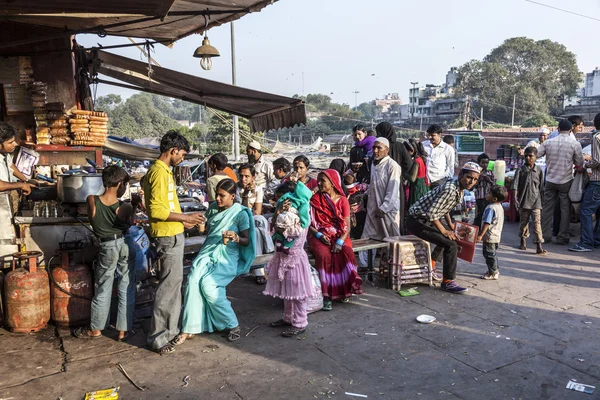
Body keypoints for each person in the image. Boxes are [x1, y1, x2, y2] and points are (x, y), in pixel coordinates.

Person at [173, 179, 256, 346]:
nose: (217, 198)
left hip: (227, 256)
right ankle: (190, 327)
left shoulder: (240, 213)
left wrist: (235, 237)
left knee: (209, 287)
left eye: (221, 195)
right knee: (193, 281)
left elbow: (247, 241)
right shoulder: (212, 208)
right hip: (207, 251)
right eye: (216, 194)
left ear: (232, 196)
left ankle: (232, 324)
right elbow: (205, 229)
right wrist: (194, 224)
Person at [143, 130, 205, 355]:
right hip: (168, 236)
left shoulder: (160, 171)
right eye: (182, 155)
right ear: (173, 151)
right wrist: (185, 218)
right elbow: (158, 209)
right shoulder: (159, 173)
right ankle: (159, 337)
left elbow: (157, 203)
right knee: (169, 287)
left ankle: (168, 331)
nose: (182, 159)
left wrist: (183, 221)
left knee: (172, 285)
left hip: (172, 231)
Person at [74, 166, 134, 341]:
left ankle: (96, 329)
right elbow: (128, 224)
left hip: (107, 246)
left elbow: (94, 221)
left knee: (102, 287)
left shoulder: (91, 200)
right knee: (126, 286)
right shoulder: (125, 206)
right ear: (119, 184)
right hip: (125, 244)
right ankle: (123, 330)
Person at [406, 162, 482, 294]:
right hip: (416, 220)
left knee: (450, 235)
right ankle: (447, 282)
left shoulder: (459, 189)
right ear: (461, 175)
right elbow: (432, 213)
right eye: (469, 177)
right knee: (451, 244)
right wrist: (444, 230)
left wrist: (450, 225)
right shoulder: (450, 190)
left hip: (426, 219)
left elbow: (445, 208)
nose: (472, 182)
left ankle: (432, 263)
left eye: (475, 179)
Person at [264, 177, 314, 337]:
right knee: (287, 290)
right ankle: (288, 318)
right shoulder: (283, 213)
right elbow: (272, 230)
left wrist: (281, 222)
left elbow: (295, 232)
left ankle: (300, 322)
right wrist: (278, 213)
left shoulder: (301, 212)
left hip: (295, 258)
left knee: (297, 293)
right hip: (282, 256)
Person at [309, 169, 362, 311]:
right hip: (319, 235)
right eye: (318, 180)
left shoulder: (343, 200)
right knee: (324, 255)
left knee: (346, 252)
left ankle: (344, 290)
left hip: (341, 235)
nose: (319, 183)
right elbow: (310, 224)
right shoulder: (314, 200)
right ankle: (326, 296)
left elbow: (347, 227)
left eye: (323, 181)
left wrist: (340, 241)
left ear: (332, 183)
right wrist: (319, 235)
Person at [537, 119, 584, 244]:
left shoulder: (548, 142)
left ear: (557, 129)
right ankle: (562, 236)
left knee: (547, 208)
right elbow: (580, 163)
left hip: (550, 179)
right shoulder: (575, 144)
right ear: (570, 130)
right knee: (565, 210)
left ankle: (545, 235)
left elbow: (536, 154)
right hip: (566, 180)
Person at [375, 121, 414, 234]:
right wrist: (402, 175)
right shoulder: (399, 146)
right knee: (396, 216)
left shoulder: (377, 147)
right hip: (396, 183)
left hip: (381, 184)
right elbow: (409, 164)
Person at [570, 113, 600, 252]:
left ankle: (586, 242)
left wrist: (586, 164)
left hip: (597, 180)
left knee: (586, 211)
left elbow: (597, 161)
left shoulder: (597, 137)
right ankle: (596, 239)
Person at [361, 137, 402, 239]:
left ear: (387, 150)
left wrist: (384, 208)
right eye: (374, 147)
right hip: (373, 206)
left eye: (379, 148)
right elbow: (374, 184)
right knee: (368, 237)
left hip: (387, 209)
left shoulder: (392, 166)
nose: (375, 151)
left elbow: (393, 190)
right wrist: (365, 194)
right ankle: (367, 255)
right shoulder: (374, 164)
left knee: (391, 238)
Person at [238, 164, 272, 284]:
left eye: (246, 176)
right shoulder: (236, 190)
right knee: (258, 228)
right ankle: (260, 269)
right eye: (241, 176)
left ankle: (259, 269)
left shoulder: (258, 189)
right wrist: (246, 195)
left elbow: (257, 211)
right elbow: (240, 211)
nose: (243, 179)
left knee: (258, 226)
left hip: (253, 220)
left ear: (253, 177)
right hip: (239, 221)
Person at [513, 147, 546, 255]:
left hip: (536, 202)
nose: (528, 158)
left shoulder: (539, 171)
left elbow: (541, 188)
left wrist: (542, 201)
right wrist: (515, 199)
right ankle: (523, 240)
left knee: (537, 224)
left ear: (535, 157)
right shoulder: (520, 170)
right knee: (524, 223)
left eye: (530, 156)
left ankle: (539, 245)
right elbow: (515, 186)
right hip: (523, 201)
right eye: (526, 155)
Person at [477, 185, 508, 280]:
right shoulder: (499, 207)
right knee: (491, 254)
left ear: (494, 198)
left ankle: (493, 272)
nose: (486, 194)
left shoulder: (491, 208)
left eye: (489, 193)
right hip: (496, 236)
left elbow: (487, 222)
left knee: (489, 255)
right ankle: (493, 270)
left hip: (489, 236)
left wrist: (481, 235)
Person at [272, 181, 305, 255]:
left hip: (294, 252)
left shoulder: (300, 214)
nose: (280, 201)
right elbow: (272, 229)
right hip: (280, 253)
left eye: (282, 198)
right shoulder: (280, 212)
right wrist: (278, 212)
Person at [0, 122, 33, 195]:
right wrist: (20, 185)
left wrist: (26, 180)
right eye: (10, 142)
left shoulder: (5, 154)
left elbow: (11, 165)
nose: (15, 144)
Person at [423, 125, 455, 189]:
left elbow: (451, 167)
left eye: (433, 135)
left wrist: (447, 180)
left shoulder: (448, 149)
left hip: (439, 180)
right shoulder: (423, 145)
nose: (430, 137)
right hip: (425, 180)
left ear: (439, 135)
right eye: (429, 135)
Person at [403, 138, 429, 209]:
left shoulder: (416, 161)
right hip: (423, 186)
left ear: (411, 150)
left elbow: (412, 178)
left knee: (415, 209)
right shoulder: (422, 158)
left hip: (417, 188)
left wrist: (402, 173)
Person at [472, 153, 495, 228]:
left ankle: (484, 229)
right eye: (483, 162)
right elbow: (473, 186)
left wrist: (489, 180)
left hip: (488, 196)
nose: (485, 165)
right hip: (480, 196)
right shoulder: (476, 173)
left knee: (487, 213)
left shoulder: (490, 173)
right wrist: (479, 180)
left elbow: (494, 185)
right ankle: (476, 228)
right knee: (480, 213)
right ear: (479, 163)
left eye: (486, 163)